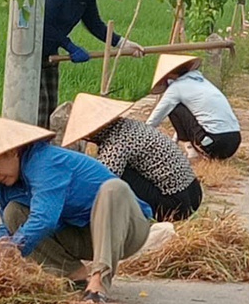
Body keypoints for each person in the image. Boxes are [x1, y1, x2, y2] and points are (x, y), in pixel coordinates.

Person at [0, 115, 152, 304]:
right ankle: (74, 276)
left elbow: (45, 219)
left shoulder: (45, 162)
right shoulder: (7, 185)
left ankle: (99, 282)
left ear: (12, 152)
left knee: (113, 189)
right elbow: (5, 225)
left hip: (126, 230)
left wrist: (14, 248)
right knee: (13, 212)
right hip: (84, 236)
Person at [39, 0, 144, 128]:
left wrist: (122, 43)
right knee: (37, 110)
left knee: (50, 108)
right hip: (31, 54)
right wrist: (69, 46)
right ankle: (31, 151)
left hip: (51, 53)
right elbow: (43, 24)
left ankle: (44, 148)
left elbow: (94, 24)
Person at [63, 94, 203, 222]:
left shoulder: (116, 143)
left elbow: (100, 182)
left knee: (111, 180)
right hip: (194, 193)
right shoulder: (127, 125)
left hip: (176, 206)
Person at [147, 55, 241, 161]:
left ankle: (192, 152)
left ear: (170, 74)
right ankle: (193, 149)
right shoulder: (203, 82)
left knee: (175, 108)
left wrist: (139, 135)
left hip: (214, 144)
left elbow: (156, 117)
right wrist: (174, 142)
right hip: (234, 142)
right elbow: (187, 121)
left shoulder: (176, 88)